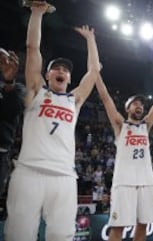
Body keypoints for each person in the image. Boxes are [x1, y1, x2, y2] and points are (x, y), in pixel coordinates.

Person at [4, 1, 101, 240]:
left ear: (69, 78)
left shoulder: (74, 100)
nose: (62, 71)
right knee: (19, 235)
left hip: (64, 177)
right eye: (56, 68)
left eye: (66, 70)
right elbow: (32, 48)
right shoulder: (37, 91)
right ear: (47, 75)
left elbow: (93, 73)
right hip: (29, 172)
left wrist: (90, 40)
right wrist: (37, 13)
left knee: (62, 236)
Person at [96, 74, 153, 241]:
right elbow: (105, 98)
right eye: (135, 104)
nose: (139, 106)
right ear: (127, 108)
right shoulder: (120, 124)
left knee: (144, 224)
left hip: (146, 180)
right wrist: (96, 74)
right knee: (118, 226)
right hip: (124, 181)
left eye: (141, 104)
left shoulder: (145, 125)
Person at [0, 48, 25, 197]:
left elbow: (13, 111)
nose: (2, 63)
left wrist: (9, 81)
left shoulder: (17, 89)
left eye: (4, 59)